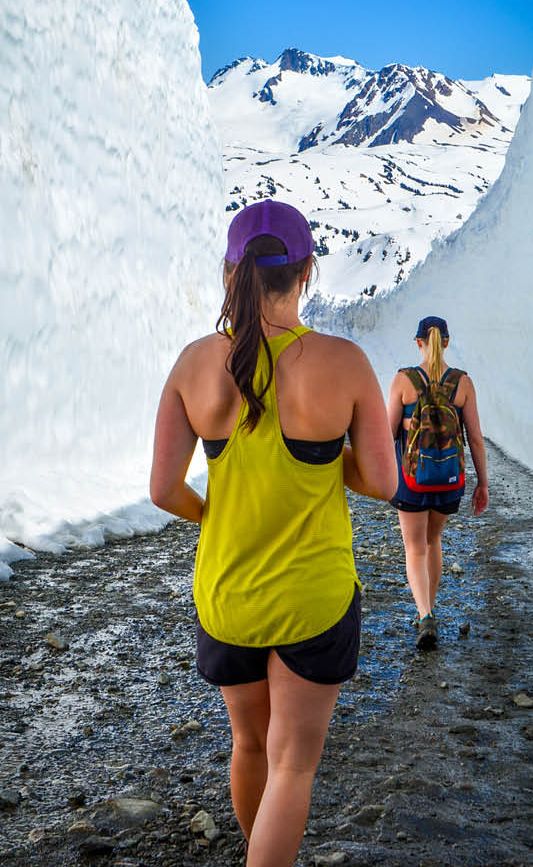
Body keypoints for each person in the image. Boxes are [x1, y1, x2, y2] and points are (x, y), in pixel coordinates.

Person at [149, 199, 395, 867]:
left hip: (226, 595)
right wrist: (316, 460)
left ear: (233, 270)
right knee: (293, 766)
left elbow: (163, 490)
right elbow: (383, 480)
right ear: (307, 270)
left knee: (250, 746)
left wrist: (219, 516)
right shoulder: (342, 363)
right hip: (312, 600)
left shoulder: (194, 364)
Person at [387, 315, 489, 650]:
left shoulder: (403, 381)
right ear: (446, 342)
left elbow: (388, 435)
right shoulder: (463, 383)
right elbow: (474, 438)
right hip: (449, 480)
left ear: (419, 342)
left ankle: (424, 614)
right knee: (433, 541)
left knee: (414, 547)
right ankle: (427, 612)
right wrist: (482, 483)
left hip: (411, 480)